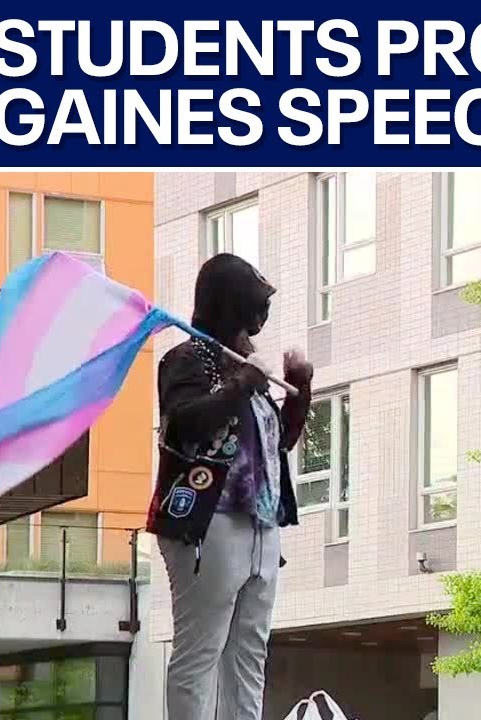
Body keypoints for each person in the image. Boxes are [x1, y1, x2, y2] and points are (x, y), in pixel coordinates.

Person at [146, 253, 313, 720]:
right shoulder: (186, 360)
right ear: (229, 304)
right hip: (208, 522)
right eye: (255, 307)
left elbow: (275, 442)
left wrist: (299, 390)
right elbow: (185, 424)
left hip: (261, 525)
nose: (260, 319)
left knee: (249, 656)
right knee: (201, 652)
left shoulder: (243, 366)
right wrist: (241, 386)